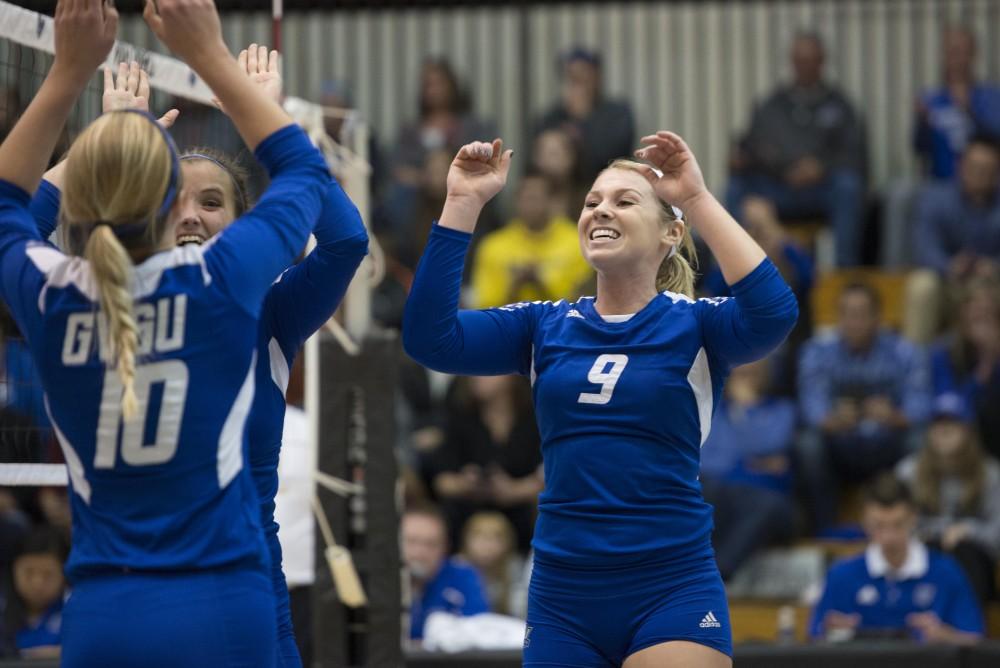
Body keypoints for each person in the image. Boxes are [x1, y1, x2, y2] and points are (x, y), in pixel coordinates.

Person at [0, 1, 331, 665]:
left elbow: (8, 206)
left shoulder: (51, 292)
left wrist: (68, 75)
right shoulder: (222, 280)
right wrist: (208, 57)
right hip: (220, 606)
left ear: (79, 203)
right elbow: (305, 174)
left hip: (102, 617)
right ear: (171, 197)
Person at [403, 129, 798, 667]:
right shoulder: (544, 324)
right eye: (591, 202)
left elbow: (775, 312)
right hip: (563, 598)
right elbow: (430, 338)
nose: (600, 211)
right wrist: (461, 204)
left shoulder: (698, 324)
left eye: (623, 200)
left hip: (670, 586)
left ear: (669, 234)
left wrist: (697, 198)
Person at [797, 281, 931, 533]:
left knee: (920, 440)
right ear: (838, 318)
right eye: (847, 314)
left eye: (861, 314)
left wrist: (892, 416)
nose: (854, 322)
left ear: (877, 317)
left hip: (888, 444)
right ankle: (824, 529)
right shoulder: (817, 351)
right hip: (841, 446)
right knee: (808, 444)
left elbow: (921, 407)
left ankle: (913, 527)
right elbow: (811, 410)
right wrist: (834, 420)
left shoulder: (904, 351)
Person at [726, 32, 866, 267]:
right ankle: (737, 266)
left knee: (848, 187)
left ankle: (844, 271)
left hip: (820, 190)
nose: (804, 67)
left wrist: (822, 167)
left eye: (810, 60)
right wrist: (742, 159)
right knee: (734, 189)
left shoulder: (840, 105)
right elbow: (748, 145)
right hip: (777, 187)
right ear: (791, 62)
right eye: (799, 61)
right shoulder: (772, 105)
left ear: (822, 62)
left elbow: (855, 154)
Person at [809, 475, 984, 644]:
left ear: (913, 518)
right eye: (879, 525)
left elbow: (975, 642)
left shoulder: (946, 572)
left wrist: (944, 636)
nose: (889, 537)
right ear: (864, 522)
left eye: (898, 524)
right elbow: (816, 639)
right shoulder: (842, 575)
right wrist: (831, 635)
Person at [895, 393, 1000, 605]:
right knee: (928, 551)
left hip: (974, 562)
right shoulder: (908, 472)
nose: (944, 430)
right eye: (938, 423)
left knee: (964, 551)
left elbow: (997, 535)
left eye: (953, 423)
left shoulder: (991, 474)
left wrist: (968, 531)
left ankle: (968, 630)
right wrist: (941, 532)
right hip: (924, 557)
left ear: (968, 431)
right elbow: (899, 527)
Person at [699, 358, 797, 580]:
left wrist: (746, 411)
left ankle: (718, 574)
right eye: (741, 376)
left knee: (766, 506)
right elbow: (707, 463)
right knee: (707, 491)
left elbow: (771, 444)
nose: (746, 384)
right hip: (727, 495)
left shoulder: (782, 411)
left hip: (773, 499)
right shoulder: (714, 413)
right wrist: (753, 462)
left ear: (766, 377)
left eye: (753, 375)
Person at [427, 374, 543, 552]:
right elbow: (440, 481)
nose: (476, 377)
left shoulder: (535, 419)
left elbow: (551, 475)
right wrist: (465, 483)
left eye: (487, 373)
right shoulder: (460, 417)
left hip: (522, 512)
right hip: (469, 511)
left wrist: (515, 490)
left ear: (511, 377)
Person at [471, 171, 592, 308]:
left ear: (551, 201)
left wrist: (540, 283)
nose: (530, 206)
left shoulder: (577, 242)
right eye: (525, 199)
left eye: (536, 198)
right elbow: (484, 309)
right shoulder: (493, 246)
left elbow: (583, 305)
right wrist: (515, 287)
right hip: (510, 328)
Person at [535, 48, 635, 184]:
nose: (577, 83)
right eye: (572, 77)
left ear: (596, 77)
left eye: (583, 76)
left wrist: (582, 119)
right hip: (562, 189)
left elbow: (613, 155)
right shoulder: (553, 116)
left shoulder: (617, 114)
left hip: (611, 183)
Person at [914, 26, 1000, 180]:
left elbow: (995, 140)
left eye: (961, 51)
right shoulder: (931, 98)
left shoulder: (991, 96)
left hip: (985, 186)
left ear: (973, 55)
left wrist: (969, 110)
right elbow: (920, 150)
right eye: (951, 51)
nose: (956, 58)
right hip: (941, 184)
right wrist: (922, 124)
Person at [929, 278, 1000, 455]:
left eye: (986, 312)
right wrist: (986, 364)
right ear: (962, 314)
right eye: (973, 310)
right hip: (962, 435)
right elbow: (952, 405)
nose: (979, 316)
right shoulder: (943, 351)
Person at [402, 505, 490, 642]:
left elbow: (478, 630)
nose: (419, 553)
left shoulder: (462, 576)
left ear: (445, 548)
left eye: (431, 544)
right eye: (411, 542)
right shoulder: (380, 582)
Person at [3, 528, 67, 659]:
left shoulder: (75, 611)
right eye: (29, 572)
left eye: (48, 574)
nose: (37, 583)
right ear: (14, 569)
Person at [459, 511, 526, 617]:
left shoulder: (515, 569)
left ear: (508, 542)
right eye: (479, 536)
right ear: (466, 540)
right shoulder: (457, 567)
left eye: (496, 538)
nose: (487, 545)